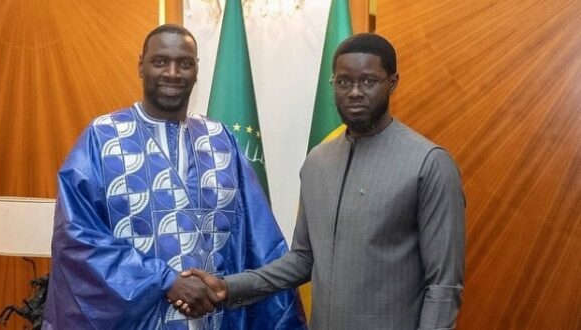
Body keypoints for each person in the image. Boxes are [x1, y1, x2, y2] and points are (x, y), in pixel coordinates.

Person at [180, 33, 466, 329]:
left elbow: (443, 285)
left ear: (392, 83)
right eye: (344, 82)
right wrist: (227, 287)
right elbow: (302, 260)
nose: (354, 92)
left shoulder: (428, 163)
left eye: (368, 81)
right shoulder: (318, 162)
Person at [42, 24, 306, 330]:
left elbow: (258, 240)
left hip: (215, 319)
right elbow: (77, 239)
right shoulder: (102, 139)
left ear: (196, 71)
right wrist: (164, 281)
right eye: (160, 61)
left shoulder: (221, 141)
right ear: (141, 65)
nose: (172, 73)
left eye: (184, 63)